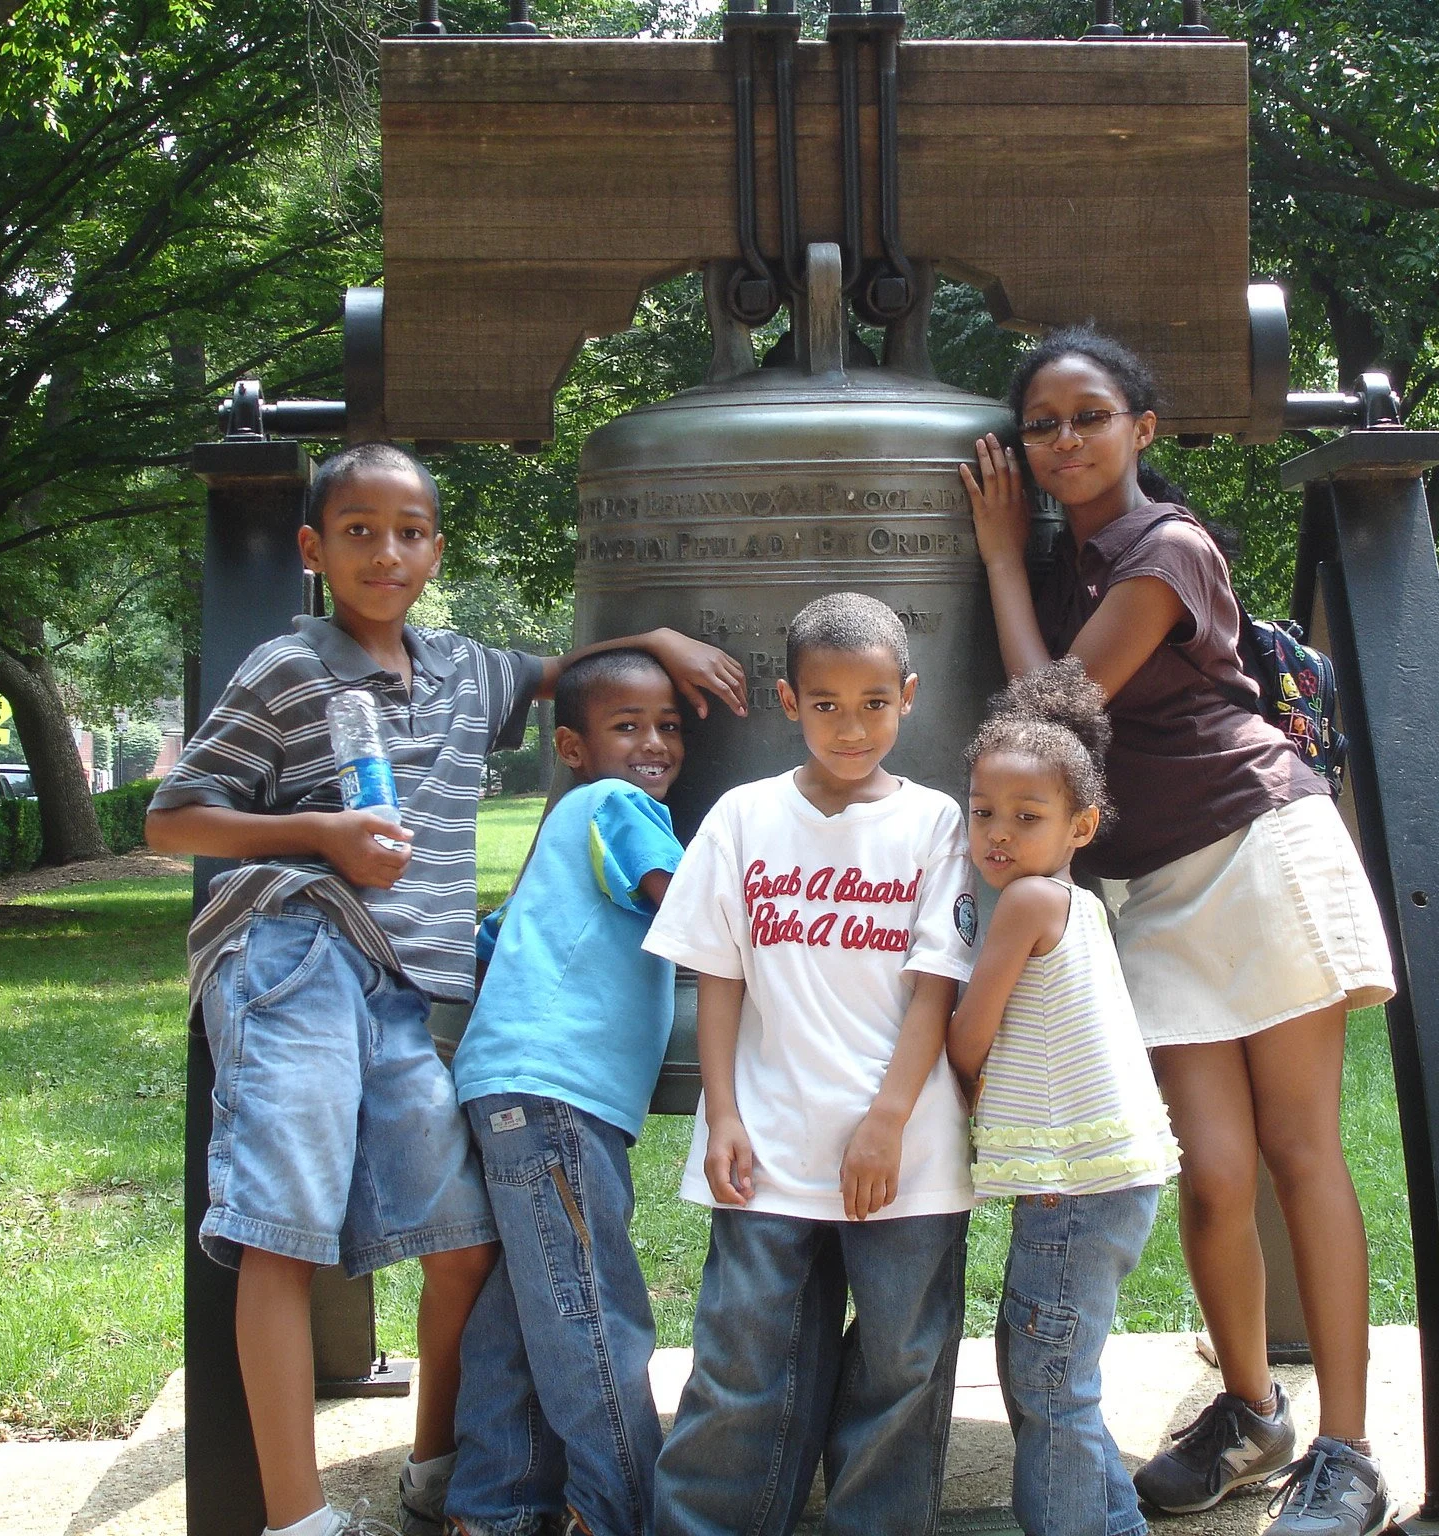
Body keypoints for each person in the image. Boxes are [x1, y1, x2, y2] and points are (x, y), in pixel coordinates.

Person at [144, 442, 746, 1536]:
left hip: (404, 993)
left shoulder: (466, 670)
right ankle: (295, 1518)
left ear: (435, 547)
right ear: (312, 550)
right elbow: (174, 817)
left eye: (410, 531)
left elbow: (565, 678)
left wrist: (648, 640)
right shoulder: (288, 667)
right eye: (361, 531)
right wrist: (316, 830)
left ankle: (442, 1469)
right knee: (282, 1231)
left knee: (465, 1243)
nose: (387, 552)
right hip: (295, 956)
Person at [961, 329, 1398, 1536]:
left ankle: (1349, 1457)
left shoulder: (1166, 550)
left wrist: (996, 553)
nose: (1062, 442)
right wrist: (1016, 561)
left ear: (1141, 429)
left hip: (1256, 847)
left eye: (1087, 416)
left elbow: (1049, 709)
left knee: (1299, 1152)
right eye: (1040, 423)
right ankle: (1253, 1413)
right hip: (1150, 887)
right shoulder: (1068, 568)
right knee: (1208, 1172)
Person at [641, 591, 980, 1536]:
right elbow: (719, 974)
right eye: (826, 703)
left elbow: (935, 984)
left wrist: (888, 1118)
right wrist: (722, 1116)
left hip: (906, 1153)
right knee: (742, 1365)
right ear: (789, 703)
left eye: (875, 701)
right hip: (771, 1147)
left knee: (903, 1368)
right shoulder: (745, 819)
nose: (852, 724)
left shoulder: (938, 824)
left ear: (909, 697)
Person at [444, 648, 691, 1536]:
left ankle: (493, 1508)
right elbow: (688, 907)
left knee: (528, 1312)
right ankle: (622, 1513)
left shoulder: (563, 831)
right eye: (627, 727)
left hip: (513, 1089)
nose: (655, 743)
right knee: (594, 1310)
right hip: (559, 1095)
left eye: (669, 725)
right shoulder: (620, 807)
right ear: (574, 747)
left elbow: (495, 937)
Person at [945, 658, 1182, 1536]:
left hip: (1075, 1189)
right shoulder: (1077, 904)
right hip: (1107, 1179)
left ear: (1082, 825)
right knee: (1050, 1373)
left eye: (1027, 817)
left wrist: (942, 1063)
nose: (997, 834)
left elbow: (971, 1033)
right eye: (982, 813)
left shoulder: (1027, 904)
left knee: (1049, 1385)